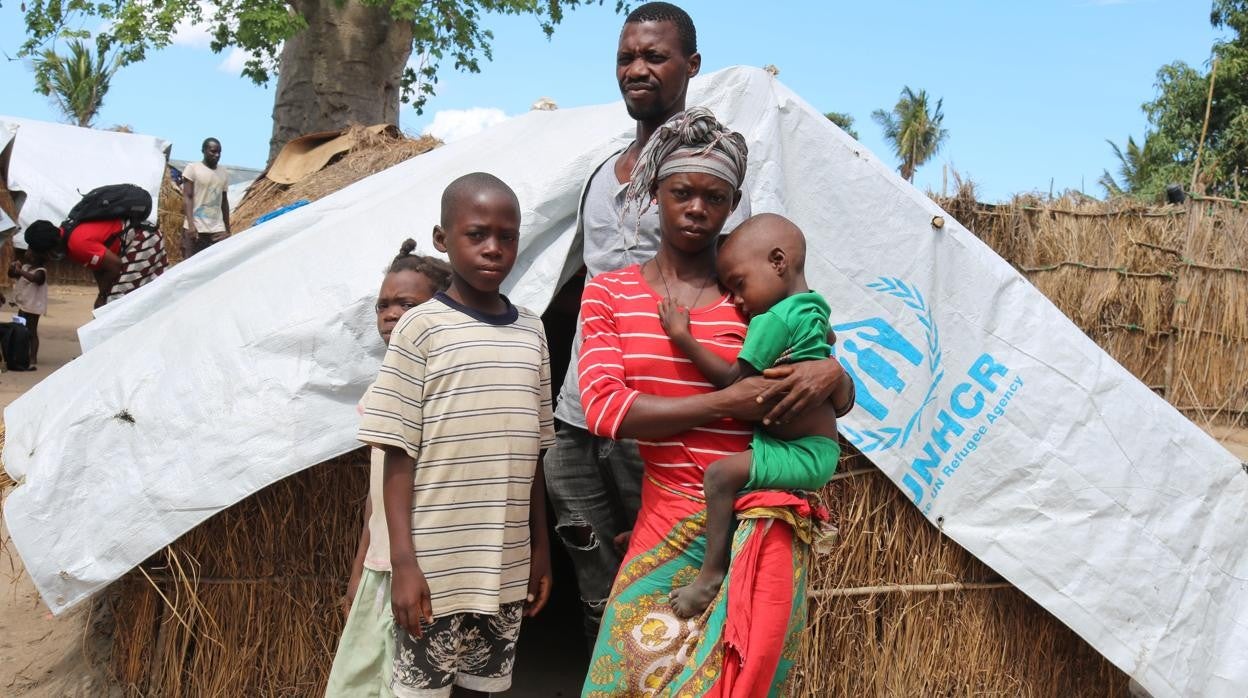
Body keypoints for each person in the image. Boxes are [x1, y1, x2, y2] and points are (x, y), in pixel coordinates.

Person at [577, 109, 852, 695]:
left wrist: (831, 369)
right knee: (622, 680)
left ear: (732, 206)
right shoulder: (608, 293)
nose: (697, 209)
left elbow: (829, 385)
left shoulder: (755, 297)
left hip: (758, 524)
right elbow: (603, 410)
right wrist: (728, 402)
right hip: (665, 520)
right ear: (654, 193)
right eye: (682, 192)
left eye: (716, 197)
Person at [545, 1, 764, 643]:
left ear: (691, 65)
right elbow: (586, 283)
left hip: (666, 424)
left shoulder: (710, 177)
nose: (637, 69)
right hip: (581, 412)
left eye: (655, 56)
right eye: (626, 57)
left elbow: (752, 285)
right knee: (594, 577)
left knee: (665, 588)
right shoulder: (599, 177)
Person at [357, 173, 555, 697]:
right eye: (476, 234)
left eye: (507, 236)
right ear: (442, 239)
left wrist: (540, 549)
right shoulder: (420, 328)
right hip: (434, 568)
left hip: (505, 565)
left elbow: (534, 454)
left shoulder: (532, 331)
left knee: (483, 688)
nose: (493, 248)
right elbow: (397, 453)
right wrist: (403, 562)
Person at [657, 213, 851, 617]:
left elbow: (733, 380)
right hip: (815, 447)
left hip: (802, 451)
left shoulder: (773, 319)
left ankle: (710, 575)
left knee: (719, 476)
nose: (737, 302)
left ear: (778, 262)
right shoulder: (814, 306)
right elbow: (829, 339)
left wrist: (683, 338)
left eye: (740, 285)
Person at [326, 240, 452, 697]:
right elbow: (376, 494)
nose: (391, 314)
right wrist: (358, 570)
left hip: (419, 568)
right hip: (380, 569)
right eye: (384, 305)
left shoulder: (441, 385)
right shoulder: (382, 386)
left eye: (407, 304)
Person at [23, 217, 168, 309]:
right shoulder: (67, 235)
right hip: (139, 235)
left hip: (144, 239)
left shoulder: (76, 244)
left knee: (115, 304)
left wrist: (103, 296)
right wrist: (102, 294)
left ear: (48, 250)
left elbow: (115, 265)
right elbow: (99, 267)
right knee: (111, 303)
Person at [181, 137, 231, 257]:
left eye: (219, 152)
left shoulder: (223, 172)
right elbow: (187, 197)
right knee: (190, 264)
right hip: (196, 228)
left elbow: (224, 201)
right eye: (213, 151)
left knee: (218, 263)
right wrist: (191, 225)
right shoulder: (192, 169)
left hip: (217, 230)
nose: (217, 155)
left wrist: (227, 228)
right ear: (203, 150)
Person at [8, 250, 48, 370]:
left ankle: (33, 357)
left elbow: (36, 279)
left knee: (31, 331)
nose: (27, 252)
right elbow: (12, 275)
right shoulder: (25, 267)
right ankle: (22, 354)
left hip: (33, 306)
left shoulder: (41, 271)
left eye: (30, 251)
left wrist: (20, 271)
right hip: (24, 304)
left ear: (36, 256)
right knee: (21, 330)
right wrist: (13, 268)